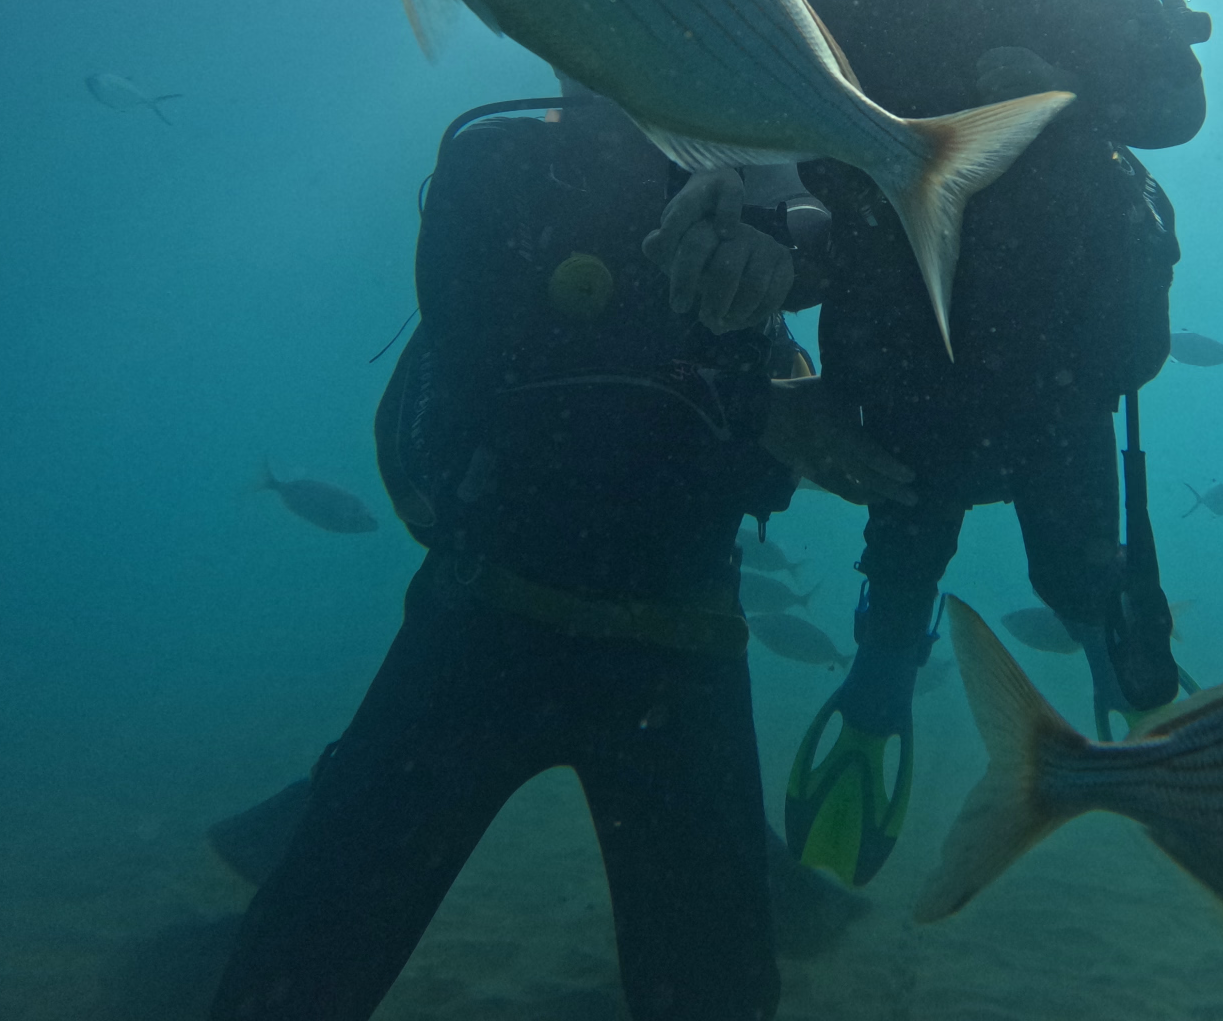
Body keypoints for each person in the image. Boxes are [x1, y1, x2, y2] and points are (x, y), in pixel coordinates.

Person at [208, 84, 911, 1021]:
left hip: (673, 637)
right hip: (491, 616)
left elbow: (856, 236)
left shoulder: (764, 184)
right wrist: (762, 403)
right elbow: (495, 366)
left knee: (716, 992)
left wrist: (794, 262)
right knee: (303, 969)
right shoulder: (498, 160)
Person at [777, 0, 1211, 885]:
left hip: (1062, 355)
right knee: (897, 570)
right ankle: (877, 704)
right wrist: (772, 372)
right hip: (896, 354)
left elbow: (1179, 104)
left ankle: (1128, 725)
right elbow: (718, 164)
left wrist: (1070, 88)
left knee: (1076, 575)